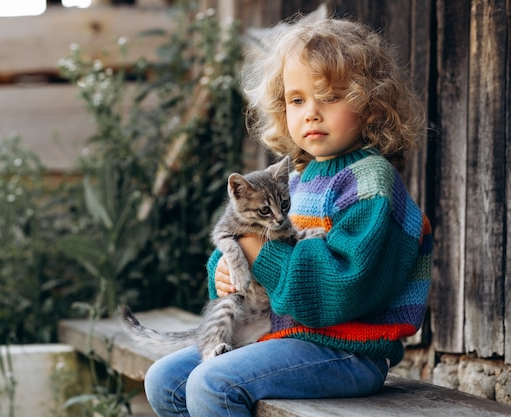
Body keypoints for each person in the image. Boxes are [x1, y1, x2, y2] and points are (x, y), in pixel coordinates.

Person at [144, 11, 432, 417]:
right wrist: (224, 270)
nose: (311, 112)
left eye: (330, 97)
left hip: (347, 349)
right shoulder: (295, 179)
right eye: (297, 100)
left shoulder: (370, 183)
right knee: (165, 381)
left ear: (371, 106)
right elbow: (245, 244)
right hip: (284, 334)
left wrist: (259, 255)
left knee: (213, 384)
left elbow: (341, 291)